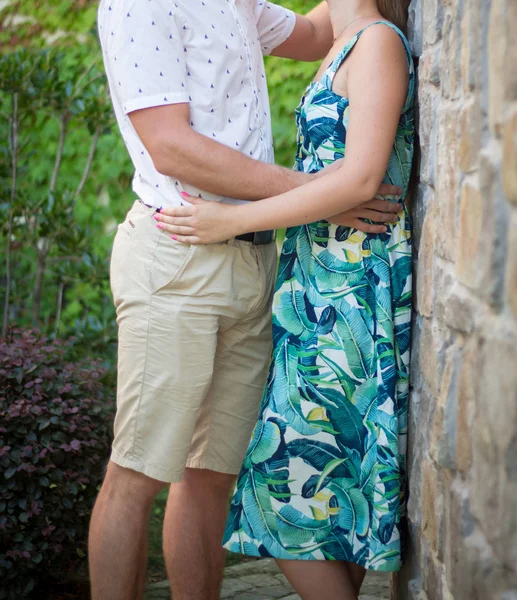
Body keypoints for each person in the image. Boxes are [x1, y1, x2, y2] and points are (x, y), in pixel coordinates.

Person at [92, 1, 403, 599]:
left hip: (253, 259)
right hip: (179, 253)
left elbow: (315, 34)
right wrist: (325, 193)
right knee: (136, 473)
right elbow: (171, 148)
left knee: (210, 475)